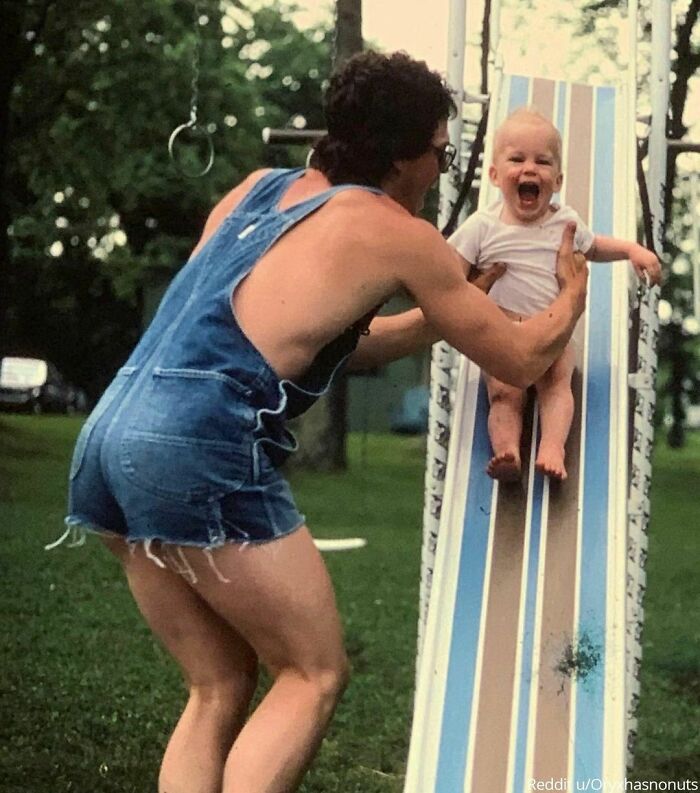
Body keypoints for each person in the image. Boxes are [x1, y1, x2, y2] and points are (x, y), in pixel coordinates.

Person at [53, 54, 588, 793]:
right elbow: (527, 357)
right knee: (312, 672)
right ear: (405, 151)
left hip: (110, 438)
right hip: (198, 445)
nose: (440, 167)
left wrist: (445, 312)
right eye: (439, 151)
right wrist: (572, 290)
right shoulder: (395, 230)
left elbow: (339, 341)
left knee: (217, 685)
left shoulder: (256, 189)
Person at [449, 107, 661, 482]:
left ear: (558, 179)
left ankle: (552, 447)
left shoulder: (566, 222)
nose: (530, 169)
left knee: (558, 386)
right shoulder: (481, 227)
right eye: (517, 159)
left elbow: (595, 247)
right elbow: (448, 268)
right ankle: (507, 451)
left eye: (543, 162)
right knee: (504, 395)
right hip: (501, 329)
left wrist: (632, 249)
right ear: (495, 176)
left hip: (554, 331)